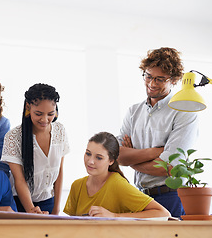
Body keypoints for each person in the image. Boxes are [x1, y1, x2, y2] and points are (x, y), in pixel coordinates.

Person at [116, 47, 199, 218]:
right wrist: (154, 152)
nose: (152, 83)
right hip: (139, 196)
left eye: (160, 79)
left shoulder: (184, 112)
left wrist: (132, 160)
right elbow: (118, 156)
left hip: (171, 196)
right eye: (148, 76)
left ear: (174, 80)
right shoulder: (133, 112)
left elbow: (169, 167)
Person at [64, 132, 170, 218]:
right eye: (88, 154)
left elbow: (163, 213)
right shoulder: (76, 186)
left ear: (111, 161)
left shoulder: (117, 184)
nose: (90, 161)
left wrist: (114, 216)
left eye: (99, 157)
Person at [1, 83, 69, 215]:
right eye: (38, 114)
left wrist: (56, 209)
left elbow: (59, 172)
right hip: (20, 202)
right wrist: (31, 210)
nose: (45, 119)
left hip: (49, 200)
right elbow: (19, 180)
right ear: (28, 107)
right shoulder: (13, 137)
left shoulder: (60, 130)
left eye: (50, 114)